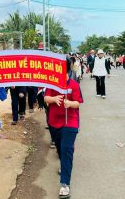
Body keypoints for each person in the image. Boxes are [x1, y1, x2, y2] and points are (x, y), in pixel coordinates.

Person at [44, 58, 83, 199]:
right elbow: (46, 98)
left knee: (67, 150)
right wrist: (54, 100)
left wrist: (70, 103)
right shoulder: (52, 83)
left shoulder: (74, 84)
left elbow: (78, 103)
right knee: (61, 149)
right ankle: (63, 163)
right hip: (54, 122)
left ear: (67, 67)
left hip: (70, 122)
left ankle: (65, 184)